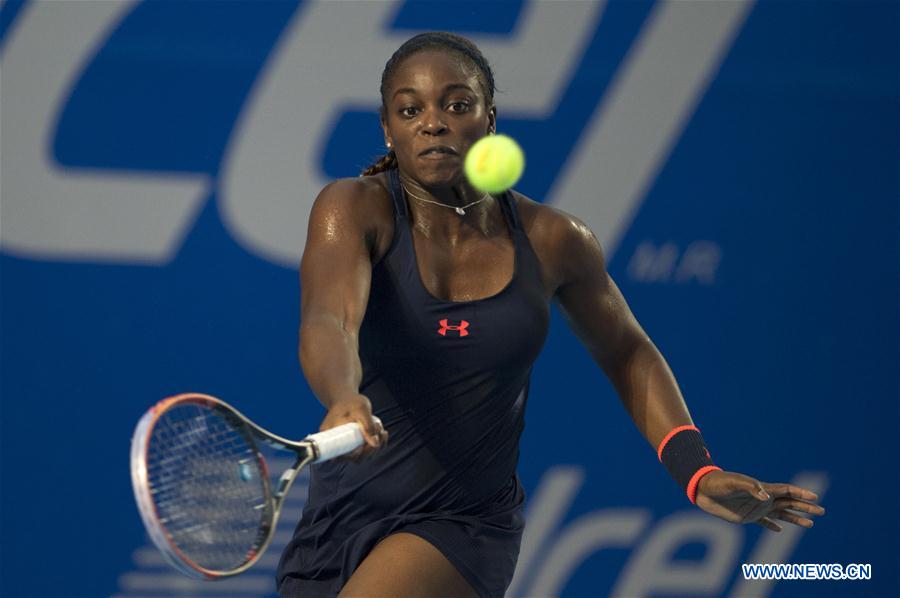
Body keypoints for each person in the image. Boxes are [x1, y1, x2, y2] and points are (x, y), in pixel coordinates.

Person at [276, 32, 825, 598]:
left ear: (490, 118)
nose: (432, 122)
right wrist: (343, 395)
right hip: (340, 513)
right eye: (410, 109)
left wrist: (696, 471)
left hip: (462, 524)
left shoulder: (555, 239)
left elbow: (627, 351)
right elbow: (328, 319)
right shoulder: (352, 207)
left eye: (457, 104)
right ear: (388, 128)